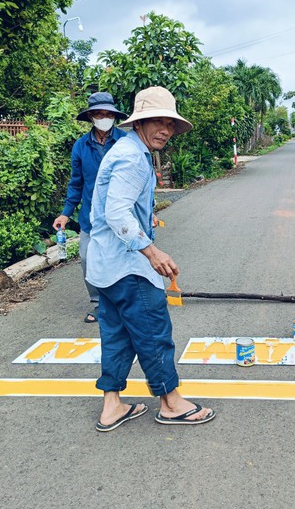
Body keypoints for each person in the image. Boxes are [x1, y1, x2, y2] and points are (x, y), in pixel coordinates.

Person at [86, 85, 216, 431]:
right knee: (153, 332)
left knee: (117, 335)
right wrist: (151, 251)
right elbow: (116, 212)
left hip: (104, 268)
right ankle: (171, 402)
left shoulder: (125, 149)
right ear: (139, 123)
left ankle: (111, 405)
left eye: (169, 124)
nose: (165, 130)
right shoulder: (132, 157)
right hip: (128, 268)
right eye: (156, 121)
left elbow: (116, 208)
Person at [52, 92, 127, 323]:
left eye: (108, 114)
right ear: (91, 117)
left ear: (114, 116)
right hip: (91, 216)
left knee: (123, 258)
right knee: (87, 258)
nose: (104, 118)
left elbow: (139, 180)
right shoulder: (81, 146)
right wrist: (65, 213)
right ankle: (98, 304)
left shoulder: (125, 142)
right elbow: (76, 183)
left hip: (122, 214)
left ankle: (124, 303)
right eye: (99, 114)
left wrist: (148, 210)